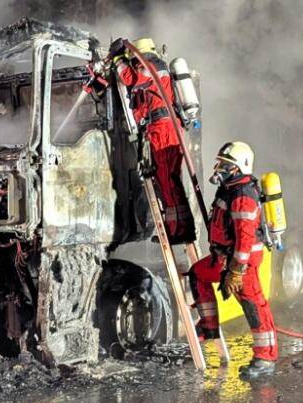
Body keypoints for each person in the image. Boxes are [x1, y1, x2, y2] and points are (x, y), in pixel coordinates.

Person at [189, 141, 278, 376]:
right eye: (220, 162)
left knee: (252, 304)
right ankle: (208, 327)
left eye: (225, 164)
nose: (219, 168)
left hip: (243, 261)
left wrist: (237, 271)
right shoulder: (229, 188)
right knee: (198, 274)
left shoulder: (242, 195)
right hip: (224, 258)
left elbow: (245, 239)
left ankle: (265, 358)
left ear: (238, 168)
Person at [106, 37, 196, 244]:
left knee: (167, 180)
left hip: (163, 129)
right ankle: (177, 228)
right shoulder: (151, 67)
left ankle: (180, 230)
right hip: (158, 129)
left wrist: (119, 60)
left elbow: (132, 79)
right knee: (166, 181)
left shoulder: (151, 65)